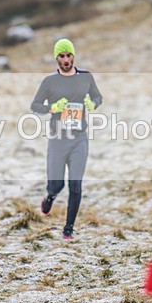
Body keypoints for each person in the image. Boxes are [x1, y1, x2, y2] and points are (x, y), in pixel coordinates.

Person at [30, 38, 103, 240]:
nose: (65, 59)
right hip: (57, 139)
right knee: (58, 184)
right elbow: (35, 106)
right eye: (61, 56)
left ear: (73, 56)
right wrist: (53, 108)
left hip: (79, 138)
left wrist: (91, 103)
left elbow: (98, 97)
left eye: (68, 55)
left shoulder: (86, 78)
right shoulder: (49, 82)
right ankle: (50, 196)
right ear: (57, 58)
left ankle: (68, 228)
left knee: (75, 185)